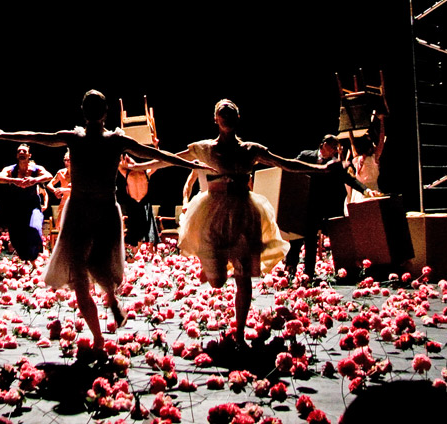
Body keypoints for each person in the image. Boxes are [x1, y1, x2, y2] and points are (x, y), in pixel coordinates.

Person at [0, 90, 210, 347]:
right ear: (105, 113)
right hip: (101, 209)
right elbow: (159, 156)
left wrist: (3, 135)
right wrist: (192, 165)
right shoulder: (113, 140)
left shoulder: (80, 139)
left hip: (83, 210)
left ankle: (99, 337)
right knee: (94, 263)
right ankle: (110, 303)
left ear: (84, 111)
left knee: (80, 272)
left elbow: (36, 137)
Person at [131, 99, 327, 346]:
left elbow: (285, 163)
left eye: (230, 112)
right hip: (214, 212)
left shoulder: (251, 150)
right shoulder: (205, 148)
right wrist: (140, 166)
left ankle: (240, 334)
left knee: (243, 276)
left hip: (243, 213)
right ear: (215, 119)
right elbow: (169, 159)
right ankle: (214, 271)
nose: (226, 116)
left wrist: (320, 169)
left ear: (237, 118)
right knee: (217, 280)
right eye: (222, 113)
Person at [292, 134, 380, 282]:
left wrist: (366, 190)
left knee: (312, 240)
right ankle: (290, 268)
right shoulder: (306, 156)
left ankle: (309, 274)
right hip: (301, 204)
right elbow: (290, 170)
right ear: (324, 144)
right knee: (296, 240)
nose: (334, 150)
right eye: (332, 147)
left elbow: (349, 179)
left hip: (320, 206)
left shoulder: (334, 164)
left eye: (336, 148)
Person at [0, 144, 53, 261]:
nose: (21, 152)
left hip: (32, 204)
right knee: (16, 237)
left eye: (24, 151)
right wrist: (14, 180)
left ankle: (36, 250)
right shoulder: (11, 169)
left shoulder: (36, 169)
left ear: (29, 155)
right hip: (16, 205)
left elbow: (49, 176)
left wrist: (35, 180)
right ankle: (25, 255)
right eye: (19, 151)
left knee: (35, 228)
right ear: (16, 155)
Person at [345, 114, 386, 214]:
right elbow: (381, 140)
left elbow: (352, 142)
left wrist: (349, 127)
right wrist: (382, 121)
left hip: (359, 194)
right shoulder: (374, 159)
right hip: (371, 192)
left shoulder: (356, 158)